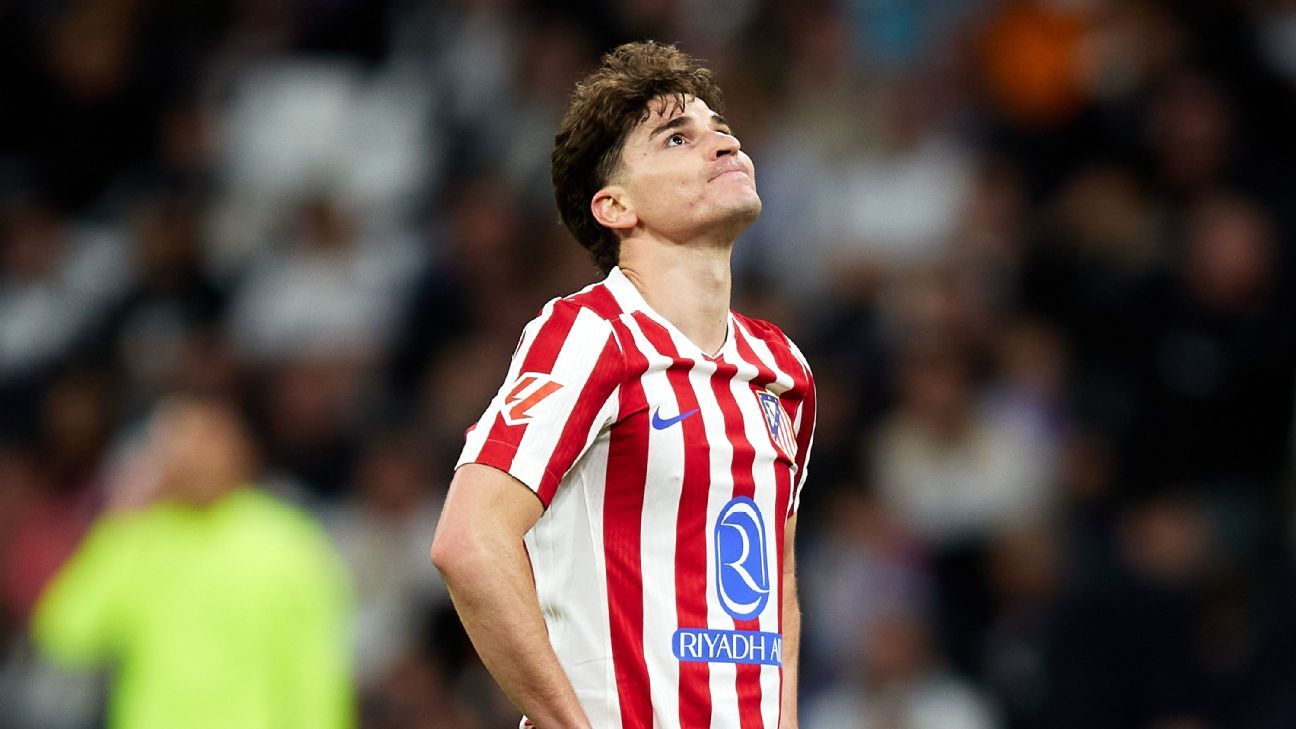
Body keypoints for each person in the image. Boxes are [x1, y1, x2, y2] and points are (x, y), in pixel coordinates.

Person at [430, 41, 817, 729]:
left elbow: (775, 583)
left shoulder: (782, 369)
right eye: (677, 138)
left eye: (720, 127)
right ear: (615, 207)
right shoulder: (593, 335)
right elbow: (469, 540)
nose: (723, 142)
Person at [31, 396, 355, 729]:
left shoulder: (287, 542)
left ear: (241, 450)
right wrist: (119, 522)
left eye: (208, 442)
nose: (195, 459)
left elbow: (314, 671)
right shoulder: (141, 537)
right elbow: (66, 634)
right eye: (180, 445)